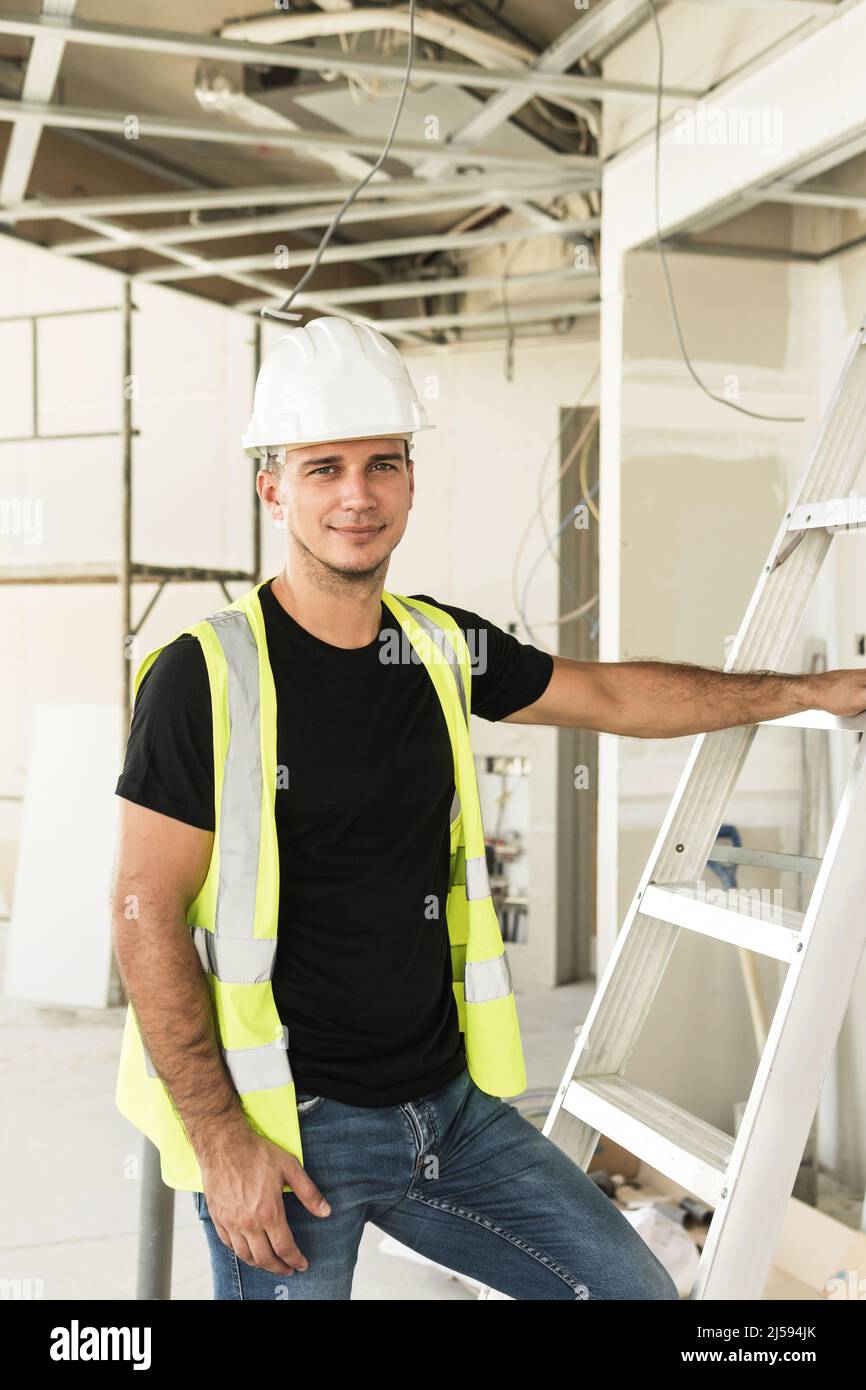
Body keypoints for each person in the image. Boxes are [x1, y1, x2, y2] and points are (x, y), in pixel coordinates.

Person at [110, 317, 863, 1302]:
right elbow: (142, 914)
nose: (356, 495)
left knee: (629, 1290)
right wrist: (221, 1140)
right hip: (289, 1131)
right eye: (323, 467)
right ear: (273, 488)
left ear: (410, 482)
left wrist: (799, 692)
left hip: (445, 1114)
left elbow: (611, 695)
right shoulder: (203, 674)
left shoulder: (437, 646)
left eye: (382, 464)